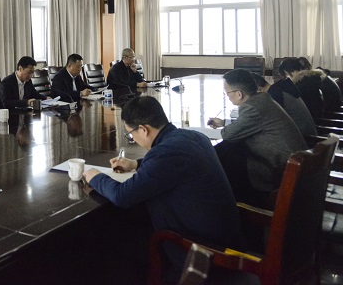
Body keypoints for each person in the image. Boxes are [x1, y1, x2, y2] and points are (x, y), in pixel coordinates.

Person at [83, 96, 244, 270]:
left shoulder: (165, 153)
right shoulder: (192, 136)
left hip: (203, 250)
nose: (133, 138)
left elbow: (122, 196)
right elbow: (172, 166)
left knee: (118, 244)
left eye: (131, 134)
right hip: (223, 236)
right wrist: (135, 164)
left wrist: (95, 176)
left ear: (143, 129)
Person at [208, 69, 307, 208]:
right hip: (292, 161)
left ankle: (234, 208)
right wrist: (225, 122)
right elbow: (253, 124)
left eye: (227, 92)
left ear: (239, 94)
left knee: (222, 158)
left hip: (279, 169)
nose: (227, 96)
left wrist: (226, 127)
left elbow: (228, 135)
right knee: (228, 153)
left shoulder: (251, 107)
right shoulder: (262, 99)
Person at [251, 73, 317, 137]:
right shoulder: (279, 89)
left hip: (305, 138)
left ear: (259, 89)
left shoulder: (274, 95)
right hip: (307, 132)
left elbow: (266, 123)